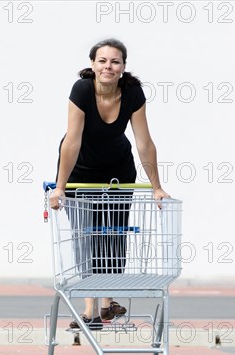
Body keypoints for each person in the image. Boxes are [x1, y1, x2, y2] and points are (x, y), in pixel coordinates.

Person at [49, 38, 170, 330]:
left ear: (123, 67)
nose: (108, 66)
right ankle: (90, 310)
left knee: (114, 238)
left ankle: (106, 305)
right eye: (102, 61)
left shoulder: (132, 92)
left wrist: (156, 186)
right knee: (85, 237)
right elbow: (72, 140)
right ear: (93, 64)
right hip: (80, 172)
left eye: (115, 62)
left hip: (118, 173)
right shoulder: (81, 90)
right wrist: (60, 186)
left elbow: (144, 143)